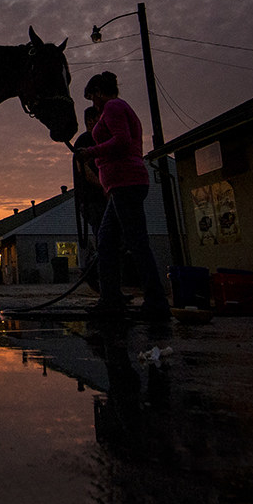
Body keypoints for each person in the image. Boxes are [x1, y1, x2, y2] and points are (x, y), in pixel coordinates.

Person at [74, 71, 171, 320]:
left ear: (98, 91)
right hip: (120, 185)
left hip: (126, 182)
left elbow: (122, 141)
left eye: (91, 96)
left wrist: (92, 152)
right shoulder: (114, 109)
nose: (92, 103)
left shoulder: (114, 107)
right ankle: (112, 298)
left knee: (135, 241)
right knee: (108, 240)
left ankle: (155, 299)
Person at [71, 105, 105, 291]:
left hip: (100, 199)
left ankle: (106, 284)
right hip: (93, 200)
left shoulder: (99, 140)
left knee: (109, 240)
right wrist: (103, 186)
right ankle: (92, 272)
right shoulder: (85, 141)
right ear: (92, 121)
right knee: (104, 239)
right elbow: (83, 169)